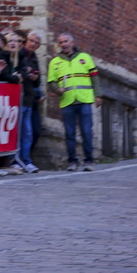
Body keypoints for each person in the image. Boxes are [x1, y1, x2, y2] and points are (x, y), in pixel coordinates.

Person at [48, 32, 97, 171]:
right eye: (61, 42)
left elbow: (94, 78)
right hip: (67, 102)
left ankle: (89, 161)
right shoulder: (55, 62)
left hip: (84, 100)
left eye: (65, 41)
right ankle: (72, 161)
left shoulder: (85, 57)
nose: (63, 44)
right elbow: (51, 81)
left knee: (86, 132)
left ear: (72, 42)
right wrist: (57, 89)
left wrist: (98, 95)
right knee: (70, 134)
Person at [13, 35, 42, 173]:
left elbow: (38, 81)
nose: (33, 44)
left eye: (36, 43)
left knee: (28, 133)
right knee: (17, 133)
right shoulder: (18, 55)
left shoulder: (35, 59)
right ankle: (15, 160)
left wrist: (35, 78)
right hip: (18, 98)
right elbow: (15, 74)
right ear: (26, 41)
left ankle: (26, 160)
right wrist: (26, 74)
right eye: (31, 41)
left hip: (29, 99)